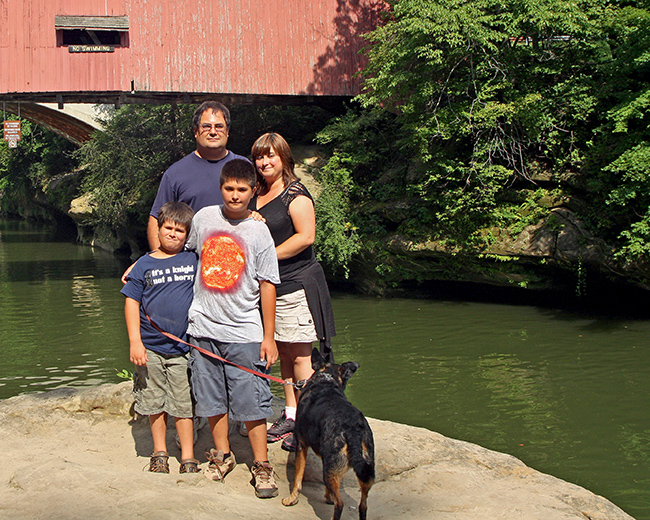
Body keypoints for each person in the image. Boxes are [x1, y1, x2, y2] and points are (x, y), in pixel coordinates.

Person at [185, 158, 281, 498]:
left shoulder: (259, 230)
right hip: (203, 327)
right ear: (221, 188)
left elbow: (268, 283)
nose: (235, 196)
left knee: (252, 401)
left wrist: (268, 337)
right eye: (229, 189)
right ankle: (222, 455)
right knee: (211, 400)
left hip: (244, 331)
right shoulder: (204, 218)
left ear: (253, 191)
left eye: (242, 190)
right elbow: (184, 254)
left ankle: (262, 464)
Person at [250, 133, 336, 452]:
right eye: (260, 157)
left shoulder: (295, 194)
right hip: (270, 287)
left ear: (284, 157)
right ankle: (291, 413)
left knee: (301, 355)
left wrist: (266, 255)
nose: (265, 162)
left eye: (271, 156)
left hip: (297, 283)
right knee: (284, 352)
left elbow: (306, 237)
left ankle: (309, 423)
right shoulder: (257, 192)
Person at [121, 201, 199, 474]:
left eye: (180, 230)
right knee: (154, 402)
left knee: (183, 403)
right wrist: (135, 342)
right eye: (168, 228)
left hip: (182, 349)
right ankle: (160, 452)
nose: (173, 234)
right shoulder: (143, 264)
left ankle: (188, 456)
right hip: (150, 347)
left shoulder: (193, 260)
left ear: (188, 234)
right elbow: (131, 302)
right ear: (159, 228)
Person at [147, 100, 248, 251]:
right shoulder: (175, 173)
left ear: (227, 131)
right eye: (206, 126)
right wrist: (157, 260)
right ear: (196, 131)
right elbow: (156, 219)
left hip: (239, 259)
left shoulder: (245, 167)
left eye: (219, 126)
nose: (213, 131)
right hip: (191, 263)